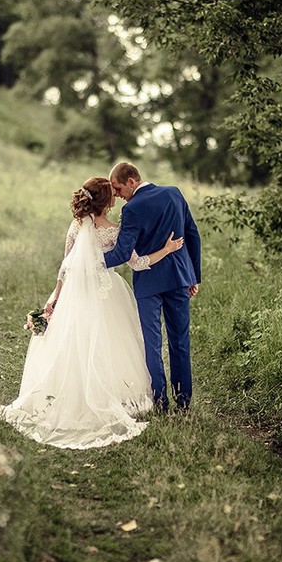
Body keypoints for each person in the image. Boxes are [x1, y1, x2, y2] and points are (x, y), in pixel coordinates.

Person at [0, 176, 183, 449]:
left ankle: (67, 397)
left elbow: (65, 267)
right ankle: (111, 396)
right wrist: (166, 249)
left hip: (75, 292)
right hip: (107, 294)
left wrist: (55, 298)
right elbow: (139, 264)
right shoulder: (115, 231)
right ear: (107, 202)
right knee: (110, 344)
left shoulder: (75, 226)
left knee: (74, 342)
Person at [103, 162, 201, 412]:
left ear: (131, 182)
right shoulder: (174, 193)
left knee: (152, 343)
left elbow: (123, 253)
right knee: (180, 342)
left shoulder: (132, 208)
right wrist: (193, 276)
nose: (116, 194)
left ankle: (160, 401)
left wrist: (87, 263)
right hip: (180, 278)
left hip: (148, 284)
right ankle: (183, 403)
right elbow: (192, 234)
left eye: (117, 188)